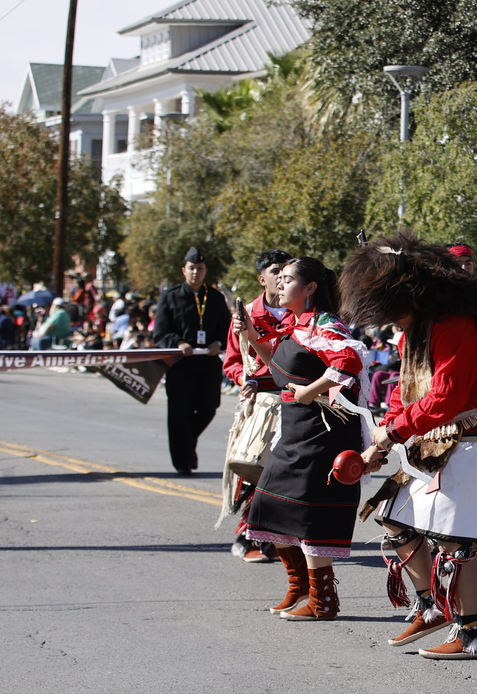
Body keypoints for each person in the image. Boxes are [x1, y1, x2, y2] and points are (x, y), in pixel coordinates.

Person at [342, 234, 477, 658]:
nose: (388, 322)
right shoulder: (417, 327)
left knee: (453, 541)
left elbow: (446, 397)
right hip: (443, 437)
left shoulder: (454, 324)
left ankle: (473, 631)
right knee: (394, 519)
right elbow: (405, 391)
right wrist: (385, 436)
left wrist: (392, 433)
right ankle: (432, 606)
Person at [236, 256, 367, 622]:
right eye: (278, 277)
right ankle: (302, 585)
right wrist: (248, 332)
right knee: (266, 509)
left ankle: (323, 601)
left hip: (322, 437)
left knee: (310, 518)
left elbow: (348, 363)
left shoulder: (326, 325)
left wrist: (310, 390)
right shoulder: (294, 326)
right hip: (295, 434)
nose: (279, 283)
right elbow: (275, 369)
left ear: (310, 288)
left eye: (288, 278)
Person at [223, 249, 293, 563]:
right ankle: (248, 531)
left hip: (297, 395)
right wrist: (243, 379)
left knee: (289, 473)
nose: (282, 277)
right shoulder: (246, 315)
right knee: (257, 467)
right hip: (262, 396)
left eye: (287, 271)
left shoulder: (304, 312)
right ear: (261, 278)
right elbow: (232, 362)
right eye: (276, 271)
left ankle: (278, 534)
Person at [155, 248, 232, 475]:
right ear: (184, 270)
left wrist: (218, 343)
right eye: (191, 269)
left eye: (199, 269)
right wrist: (178, 343)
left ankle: (186, 445)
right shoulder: (170, 296)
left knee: (209, 408)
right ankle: (183, 461)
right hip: (180, 364)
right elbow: (159, 333)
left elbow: (226, 330)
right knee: (180, 413)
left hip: (207, 364)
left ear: (205, 270)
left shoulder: (216, 298)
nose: (195, 273)